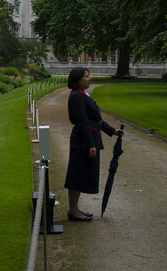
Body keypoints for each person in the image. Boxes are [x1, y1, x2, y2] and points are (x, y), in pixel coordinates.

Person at [64, 67, 123, 221]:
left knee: (81, 174)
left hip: (88, 139)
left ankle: (75, 209)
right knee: (77, 175)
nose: (89, 79)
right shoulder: (77, 96)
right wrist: (91, 145)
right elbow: (82, 122)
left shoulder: (83, 94)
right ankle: (73, 210)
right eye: (86, 76)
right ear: (78, 79)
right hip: (83, 141)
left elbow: (95, 119)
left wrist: (112, 131)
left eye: (89, 76)